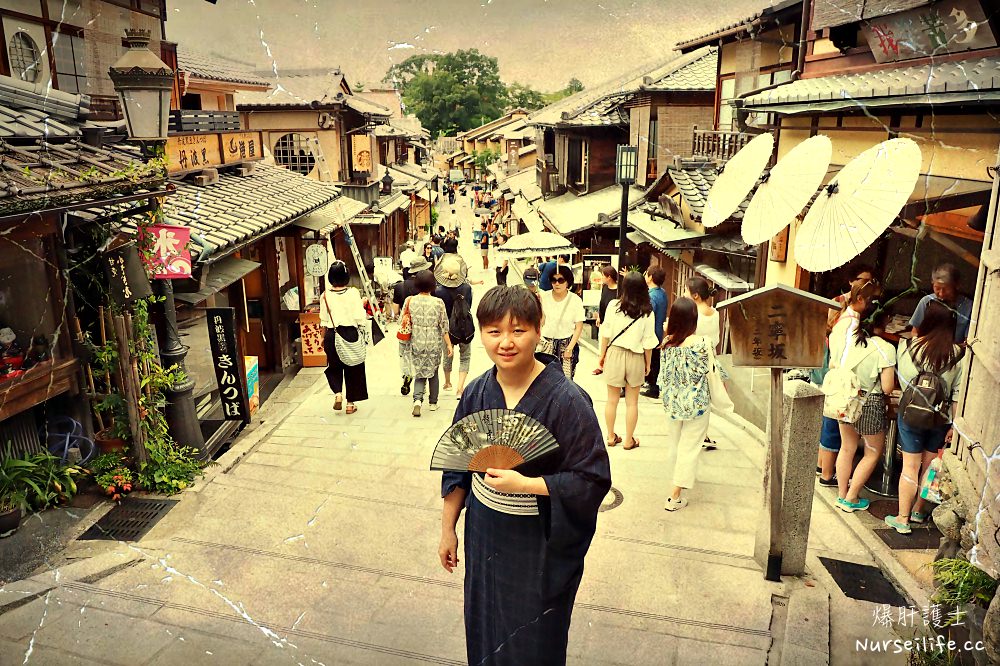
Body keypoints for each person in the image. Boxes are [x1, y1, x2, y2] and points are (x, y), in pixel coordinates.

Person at [438, 286, 611, 666]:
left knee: (535, 638)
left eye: (518, 330)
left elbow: (593, 478)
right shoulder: (476, 393)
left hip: (538, 542)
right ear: (481, 333)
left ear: (538, 328)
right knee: (484, 624)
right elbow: (458, 465)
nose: (505, 342)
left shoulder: (568, 400)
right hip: (483, 533)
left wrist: (530, 485)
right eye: (494, 331)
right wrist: (449, 527)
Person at [885, 301, 964, 534]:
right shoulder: (958, 355)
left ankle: (902, 518)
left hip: (910, 414)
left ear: (925, 321)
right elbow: (957, 393)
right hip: (941, 417)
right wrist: (955, 425)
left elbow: (903, 382)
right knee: (928, 466)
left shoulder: (907, 346)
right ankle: (919, 510)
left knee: (910, 466)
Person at [829, 282, 896, 513]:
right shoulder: (886, 348)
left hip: (847, 401)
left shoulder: (850, 340)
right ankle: (852, 497)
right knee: (872, 452)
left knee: (846, 448)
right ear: (884, 320)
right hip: (870, 403)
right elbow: (887, 388)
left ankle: (840, 495)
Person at [659, 297, 730, 510]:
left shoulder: (667, 344)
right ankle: (675, 496)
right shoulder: (702, 344)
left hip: (673, 404)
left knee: (676, 444)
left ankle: (677, 479)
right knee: (689, 447)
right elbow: (713, 371)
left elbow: (664, 376)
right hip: (697, 404)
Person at [597, 272, 658, 450]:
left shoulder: (613, 306)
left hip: (614, 353)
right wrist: (648, 364)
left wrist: (602, 355)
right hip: (636, 356)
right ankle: (629, 440)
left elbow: (605, 333)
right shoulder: (647, 311)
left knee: (612, 400)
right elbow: (648, 342)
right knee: (632, 402)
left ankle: (610, 436)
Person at [318, 261, 369, 414]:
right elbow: (360, 318)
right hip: (350, 333)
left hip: (332, 335)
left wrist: (322, 338)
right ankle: (350, 404)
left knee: (334, 367)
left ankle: (338, 394)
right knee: (353, 367)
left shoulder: (325, 296)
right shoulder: (353, 293)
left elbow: (323, 321)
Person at [403, 269, 452, 416]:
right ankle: (433, 403)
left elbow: (403, 321)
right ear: (433, 285)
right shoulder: (438, 303)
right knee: (433, 372)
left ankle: (417, 400)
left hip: (416, 341)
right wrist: (449, 345)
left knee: (419, 372)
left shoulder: (410, 300)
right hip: (433, 342)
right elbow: (444, 326)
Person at [435, 255, 475, 397]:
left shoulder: (439, 291)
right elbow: (469, 306)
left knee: (447, 355)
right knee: (465, 356)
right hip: (464, 327)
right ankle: (460, 388)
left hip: (447, 329)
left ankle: (447, 382)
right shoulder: (467, 288)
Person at [539, 265, 585, 379]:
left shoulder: (575, 300)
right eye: (554, 280)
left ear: (567, 282)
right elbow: (541, 322)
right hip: (546, 344)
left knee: (565, 381)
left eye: (561, 280)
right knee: (544, 379)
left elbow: (578, 327)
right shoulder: (544, 297)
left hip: (566, 344)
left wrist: (570, 348)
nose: (557, 284)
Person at [394, 256, 431, 395]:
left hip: (405, 328)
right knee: (420, 356)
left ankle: (406, 375)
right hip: (422, 329)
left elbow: (396, 311)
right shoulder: (426, 288)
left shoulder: (400, 286)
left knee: (404, 354)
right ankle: (420, 383)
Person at [910, 263, 973, 343]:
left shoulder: (969, 307)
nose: (941, 294)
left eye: (946, 289)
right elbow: (914, 332)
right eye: (937, 288)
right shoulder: (926, 302)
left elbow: (967, 340)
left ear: (956, 286)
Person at [641, 266, 668, 399]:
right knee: (655, 360)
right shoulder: (662, 292)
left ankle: (653, 387)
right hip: (659, 331)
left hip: (651, 332)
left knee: (650, 361)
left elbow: (647, 316)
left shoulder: (651, 296)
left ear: (650, 277)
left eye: (646, 273)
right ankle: (653, 385)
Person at [828, 264, 875, 329]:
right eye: (864, 281)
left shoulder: (871, 304)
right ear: (851, 281)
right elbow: (829, 326)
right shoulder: (838, 301)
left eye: (871, 282)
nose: (867, 285)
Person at [688, 277, 721, 350]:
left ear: (695, 295)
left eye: (686, 291)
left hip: (696, 356)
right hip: (711, 356)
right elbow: (716, 339)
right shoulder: (716, 313)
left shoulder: (692, 314)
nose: (684, 294)